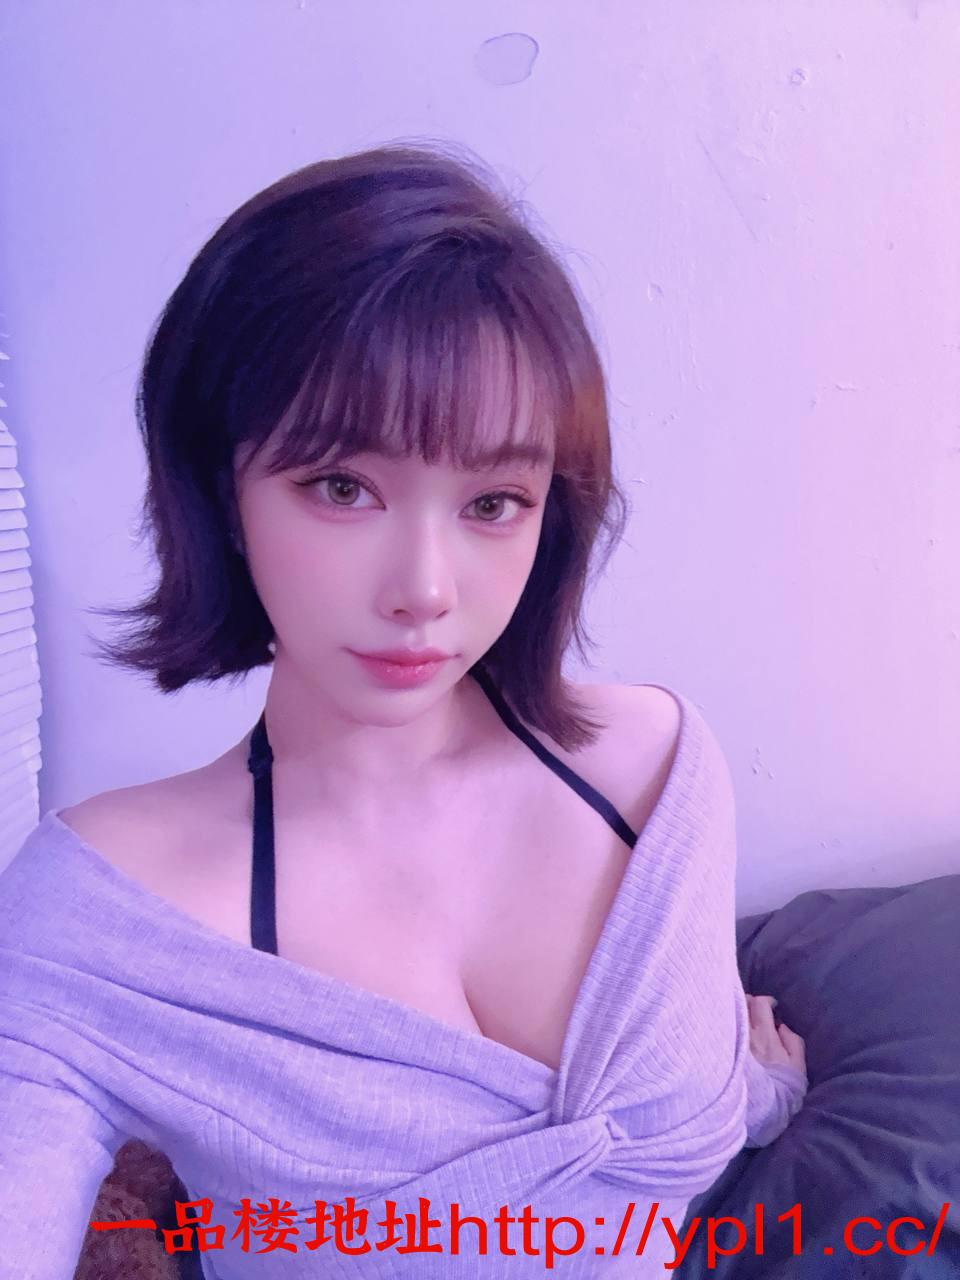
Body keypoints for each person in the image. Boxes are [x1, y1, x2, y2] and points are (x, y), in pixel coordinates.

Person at [0, 141, 806, 1279]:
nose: (425, 590)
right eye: (343, 487)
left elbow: (670, 1116)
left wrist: (758, 1087)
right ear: (221, 490)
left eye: (494, 501)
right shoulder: (100, 921)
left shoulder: (658, 777)